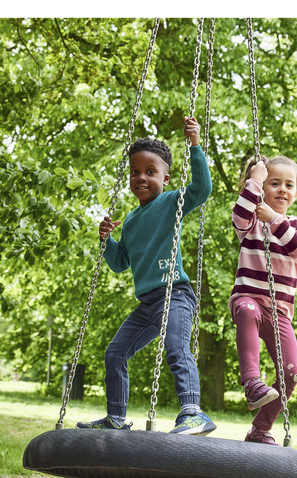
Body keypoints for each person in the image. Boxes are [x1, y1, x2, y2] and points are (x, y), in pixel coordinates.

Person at [77, 116, 216, 436]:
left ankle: (193, 412)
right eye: (135, 171)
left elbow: (202, 189)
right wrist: (105, 241)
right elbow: (120, 263)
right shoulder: (130, 220)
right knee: (115, 353)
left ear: (166, 178)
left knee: (176, 348)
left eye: (150, 172)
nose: (141, 177)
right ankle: (116, 417)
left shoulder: (171, 202)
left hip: (174, 293)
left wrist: (195, 145)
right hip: (147, 303)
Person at [229, 155, 297, 445]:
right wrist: (254, 179)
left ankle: (260, 429)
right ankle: (252, 382)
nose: (282, 189)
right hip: (249, 299)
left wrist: (274, 220)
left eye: (289, 185)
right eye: (274, 183)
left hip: (280, 313)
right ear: (263, 188)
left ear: (296, 193)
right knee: (247, 309)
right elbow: (239, 215)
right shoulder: (250, 221)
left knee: (292, 373)